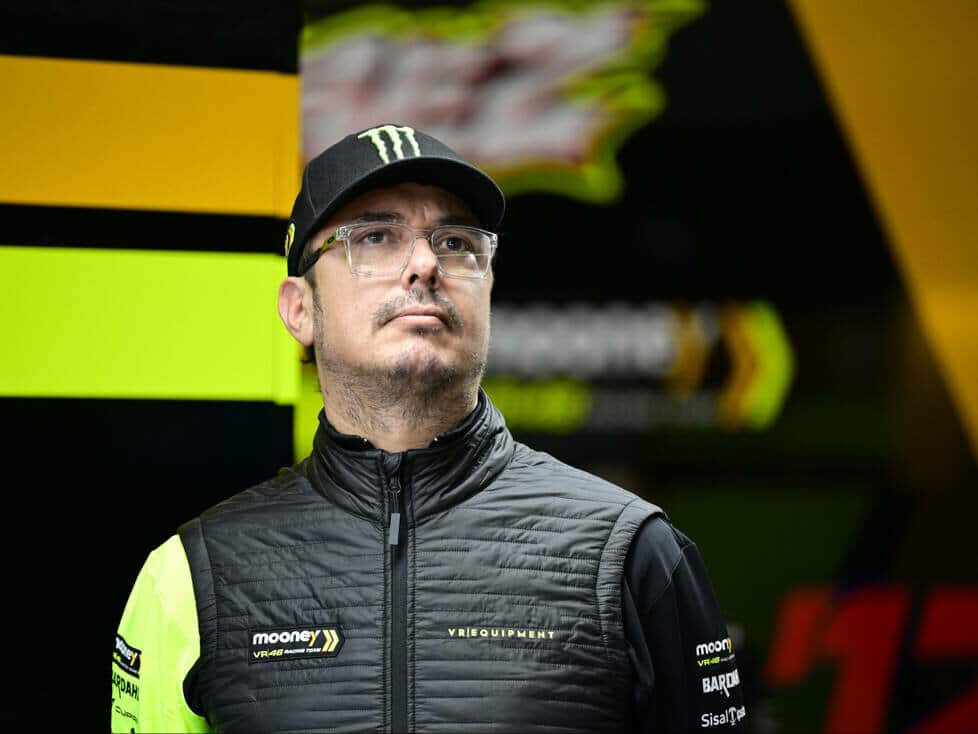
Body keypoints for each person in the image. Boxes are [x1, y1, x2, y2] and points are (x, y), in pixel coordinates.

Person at [111, 123, 747, 733]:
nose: (424, 264)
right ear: (300, 309)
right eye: (375, 237)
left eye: (456, 243)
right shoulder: (189, 577)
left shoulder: (631, 554)